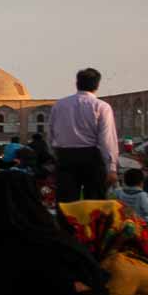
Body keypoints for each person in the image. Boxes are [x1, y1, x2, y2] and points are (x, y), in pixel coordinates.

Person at [46, 69, 118, 203]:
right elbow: (106, 139)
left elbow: (51, 133)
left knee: (66, 203)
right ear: (97, 85)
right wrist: (111, 167)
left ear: (77, 83)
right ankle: (91, 225)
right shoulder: (101, 106)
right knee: (94, 203)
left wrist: (56, 155)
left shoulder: (60, 105)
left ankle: (66, 224)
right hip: (92, 157)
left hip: (65, 157)